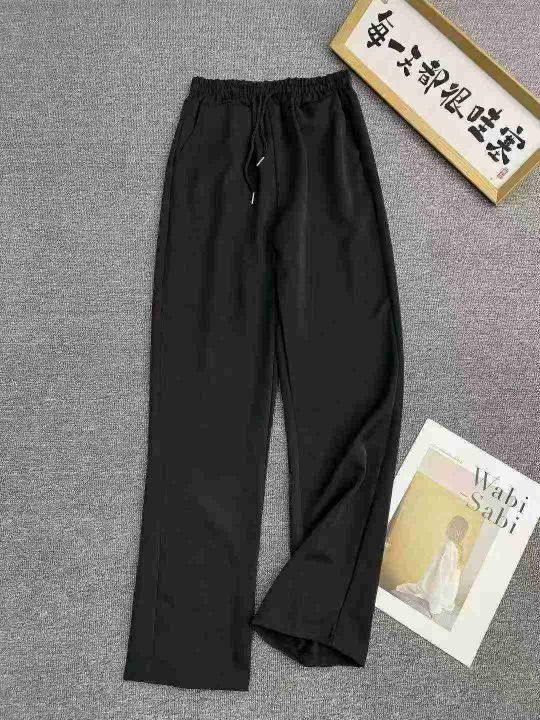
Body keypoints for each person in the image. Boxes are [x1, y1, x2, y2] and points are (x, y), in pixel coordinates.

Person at [395, 515, 469, 616]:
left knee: (401, 588)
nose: (448, 526)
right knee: (404, 587)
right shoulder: (457, 549)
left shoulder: (449, 547)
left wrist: (434, 606)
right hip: (444, 596)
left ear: (455, 530)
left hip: (434, 594)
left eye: (451, 524)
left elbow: (441, 577)